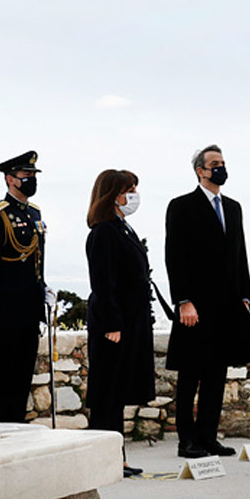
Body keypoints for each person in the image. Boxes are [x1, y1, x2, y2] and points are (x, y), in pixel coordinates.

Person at [164, 145, 250, 458]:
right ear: (200, 170)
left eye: (223, 163)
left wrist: (245, 295)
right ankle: (187, 440)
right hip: (194, 306)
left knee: (216, 376)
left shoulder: (233, 207)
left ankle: (208, 436)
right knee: (190, 375)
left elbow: (241, 253)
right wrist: (183, 300)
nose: (220, 168)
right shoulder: (181, 206)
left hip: (227, 305)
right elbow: (174, 256)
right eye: (214, 164)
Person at [85, 169, 157, 477]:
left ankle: (118, 457)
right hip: (113, 323)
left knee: (117, 393)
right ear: (115, 194)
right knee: (107, 394)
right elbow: (104, 282)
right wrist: (113, 323)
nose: (133, 196)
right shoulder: (103, 232)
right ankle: (105, 459)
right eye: (130, 190)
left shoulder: (121, 228)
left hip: (132, 320)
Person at [0, 151, 54, 423]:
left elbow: (36, 260)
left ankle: (16, 426)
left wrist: (42, 291)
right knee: (0, 377)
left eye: (33, 175)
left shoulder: (34, 213)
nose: (31, 180)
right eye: (25, 175)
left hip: (29, 310)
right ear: (10, 179)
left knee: (21, 376)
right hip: (4, 312)